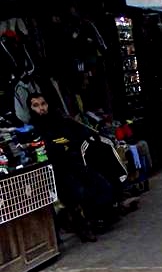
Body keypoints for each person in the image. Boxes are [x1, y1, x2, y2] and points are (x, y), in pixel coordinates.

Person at [27, 92, 115, 242]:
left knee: (101, 184)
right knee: (78, 192)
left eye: (43, 104)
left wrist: (66, 144)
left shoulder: (60, 120)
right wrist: (63, 145)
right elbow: (49, 147)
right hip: (55, 169)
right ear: (30, 108)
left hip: (74, 163)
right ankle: (82, 225)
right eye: (36, 105)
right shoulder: (32, 129)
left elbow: (76, 137)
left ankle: (97, 219)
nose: (41, 108)